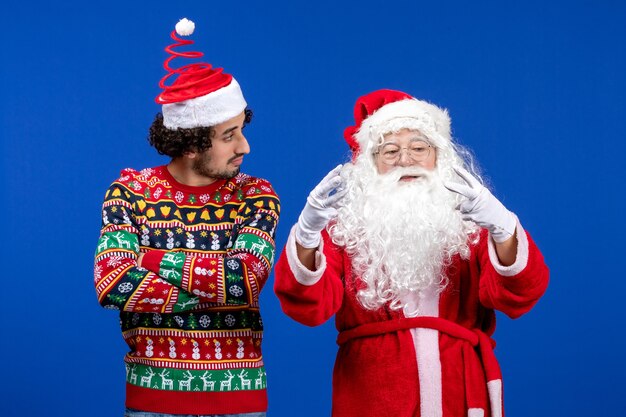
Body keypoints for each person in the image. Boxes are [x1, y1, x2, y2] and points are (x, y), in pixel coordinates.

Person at [274, 89, 549, 417]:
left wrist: (502, 226)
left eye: (419, 148)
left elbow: (520, 295)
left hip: (459, 392)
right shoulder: (343, 230)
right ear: (370, 165)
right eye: (390, 151)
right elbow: (308, 307)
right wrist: (306, 232)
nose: (405, 160)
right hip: (374, 393)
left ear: (440, 156)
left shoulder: (470, 226)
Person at [94, 18, 279, 417]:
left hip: (240, 403)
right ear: (191, 145)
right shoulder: (130, 191)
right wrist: (215, 284)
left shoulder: (255, 194)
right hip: (151, 401)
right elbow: (112, 285)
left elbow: (243, 282)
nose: (244, 146)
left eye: (241, 130)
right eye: (228, 135)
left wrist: (146, 259)